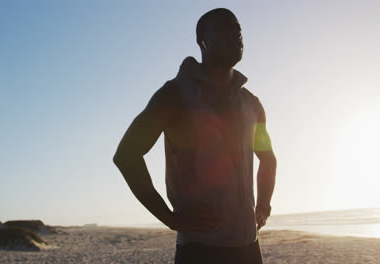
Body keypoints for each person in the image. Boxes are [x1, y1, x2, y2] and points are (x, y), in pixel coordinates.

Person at [113, 7, 277, 264]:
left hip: (248, 247)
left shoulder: (251, 104)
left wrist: (264, 206)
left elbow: (268, 159)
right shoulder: (174, 95)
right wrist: (170, 218)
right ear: (203, 41)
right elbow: (126, 155)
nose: (236, 37)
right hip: (200, 249)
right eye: (225, 30)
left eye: (239, 31)